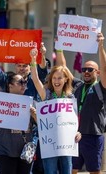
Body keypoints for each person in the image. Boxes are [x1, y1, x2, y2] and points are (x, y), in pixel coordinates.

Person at [29, 48, 82, 174]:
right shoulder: (46, 95)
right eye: (54, 78)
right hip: (49, 144)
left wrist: (78, 132)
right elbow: (35, 79)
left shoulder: (70, 98)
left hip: (66, 144)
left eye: (59, 78)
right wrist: (32, 59)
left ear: (65, 80)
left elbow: (74, 121)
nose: (56, 81)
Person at [72, 33, 106, 174]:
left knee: (94, 171)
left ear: (97, 72)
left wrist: (100, 46)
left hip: (93, 135)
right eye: (84, 69)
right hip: (75, 135)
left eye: (90, 70)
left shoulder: (101, 86)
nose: (86, 72)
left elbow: (105, 69)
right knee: (71, 169)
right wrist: (60, 47)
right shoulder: (78, 85)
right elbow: (63, 68)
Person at [0, 72, 36, 174]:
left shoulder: (31, 102)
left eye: (25, 82)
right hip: (4, 150)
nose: (24, 84)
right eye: (20, 82)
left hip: (25, 151)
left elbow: (41, 124)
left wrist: (34, 115)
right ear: (10, 85)